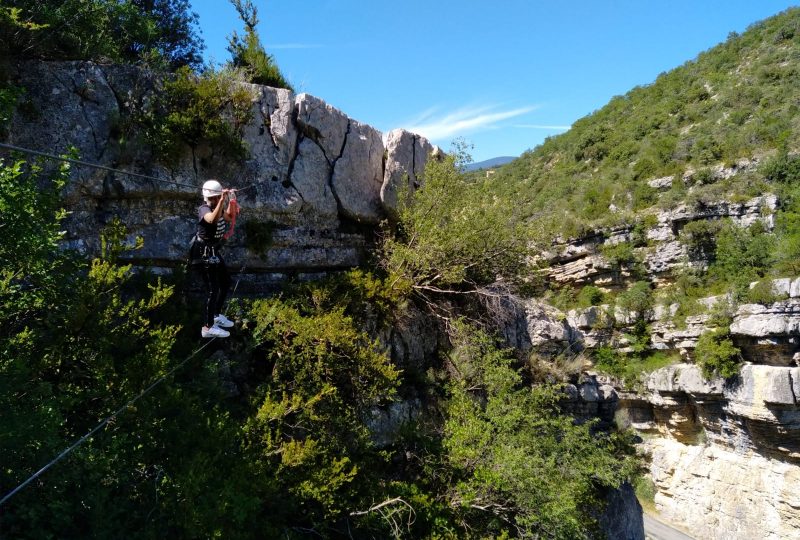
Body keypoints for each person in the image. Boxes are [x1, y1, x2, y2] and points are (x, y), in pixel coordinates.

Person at [191, 179, 239, 338]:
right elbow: (211, 219)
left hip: (212, 251)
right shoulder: (204, 209)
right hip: (203, 253)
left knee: (225, 282)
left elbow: (229, 216)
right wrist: (222, 200)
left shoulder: (217, 207)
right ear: (214, 197)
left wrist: (230, 200)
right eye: (217, 197)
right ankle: (207, 327)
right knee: (213, 289)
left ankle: (216, 316)